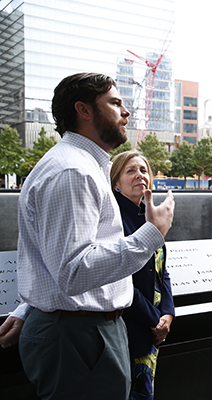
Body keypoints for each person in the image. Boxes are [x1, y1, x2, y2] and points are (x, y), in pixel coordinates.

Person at [0, 72, 175, 399]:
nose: (126, 112)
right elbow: (74, 271)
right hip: (80, 337)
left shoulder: (84, 166)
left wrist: (34, 307)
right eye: (115, 103)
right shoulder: (72, 172)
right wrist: (152, 234)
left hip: (84, 331)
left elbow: (55, 259)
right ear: (84, 110)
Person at [110, 151, 175, 400]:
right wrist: (153, 320)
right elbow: (118, 277)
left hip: (152, 331)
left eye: (144, 170)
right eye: (131, 170)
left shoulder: (149, 215)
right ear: (115, 182)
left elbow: (162, 270)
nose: (140, 175)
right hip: (128, 330)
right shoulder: (112, 220)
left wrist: (168, 313)